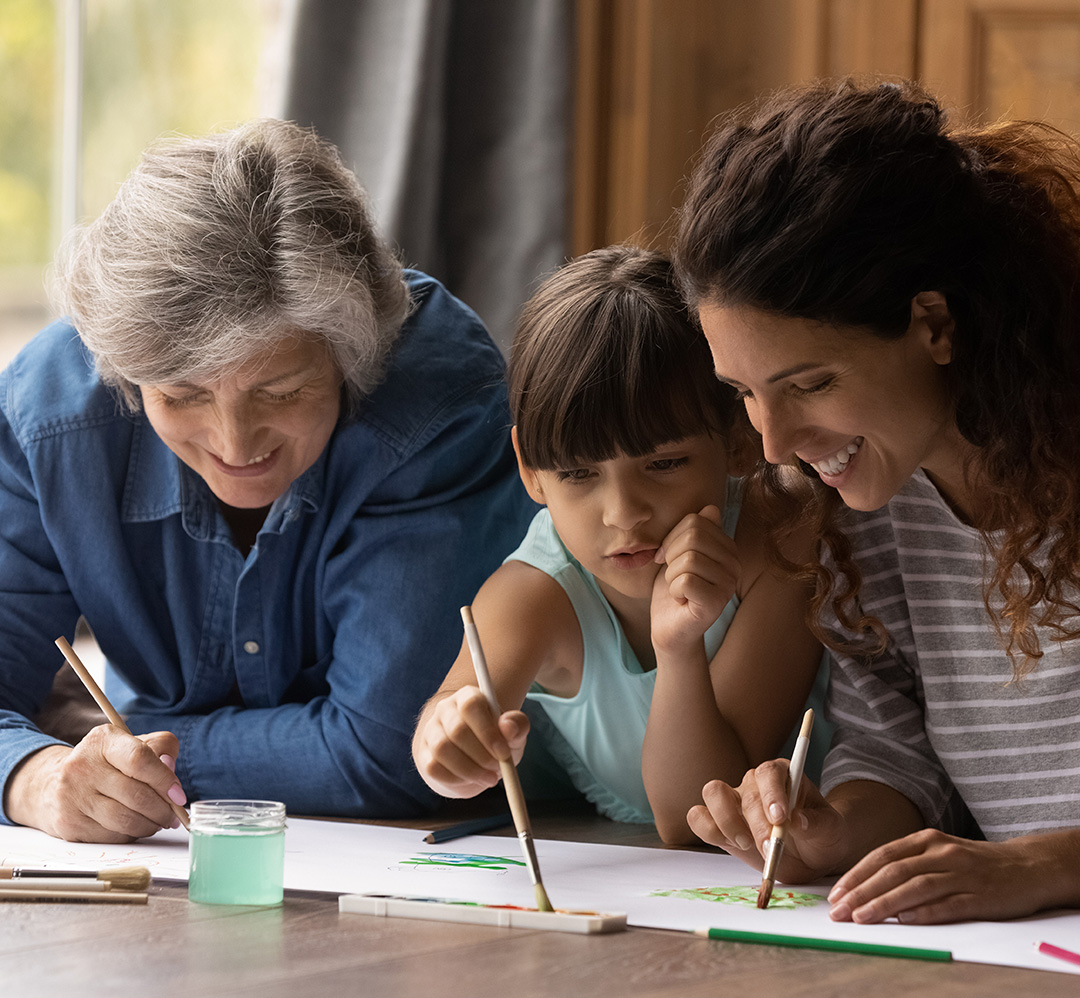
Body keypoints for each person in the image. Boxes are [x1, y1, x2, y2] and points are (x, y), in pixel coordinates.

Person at [0, 118, 534, 842]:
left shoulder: (438, 402)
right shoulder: (53, 413)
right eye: (181, 396)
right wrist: (38, 777)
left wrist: (130, 734)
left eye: (280, 390)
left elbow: (388, 752)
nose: (234, 444)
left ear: (351, 355)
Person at [674, 77, 1080, 923]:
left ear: (933, 323)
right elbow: (900, 756)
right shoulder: (870, 508)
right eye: (744, 394)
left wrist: (1043, 864)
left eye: (811, 383)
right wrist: (831, 828)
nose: (776, 445)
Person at [411, 246, 827, 844]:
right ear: (531, 470)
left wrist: (678, 647)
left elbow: (699, 820)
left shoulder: (777, 544)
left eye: (664, 463)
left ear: (737, 440)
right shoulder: (536, 593)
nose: (624, 513)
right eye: (579, 474)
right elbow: (453, 712)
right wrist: (448, 746)